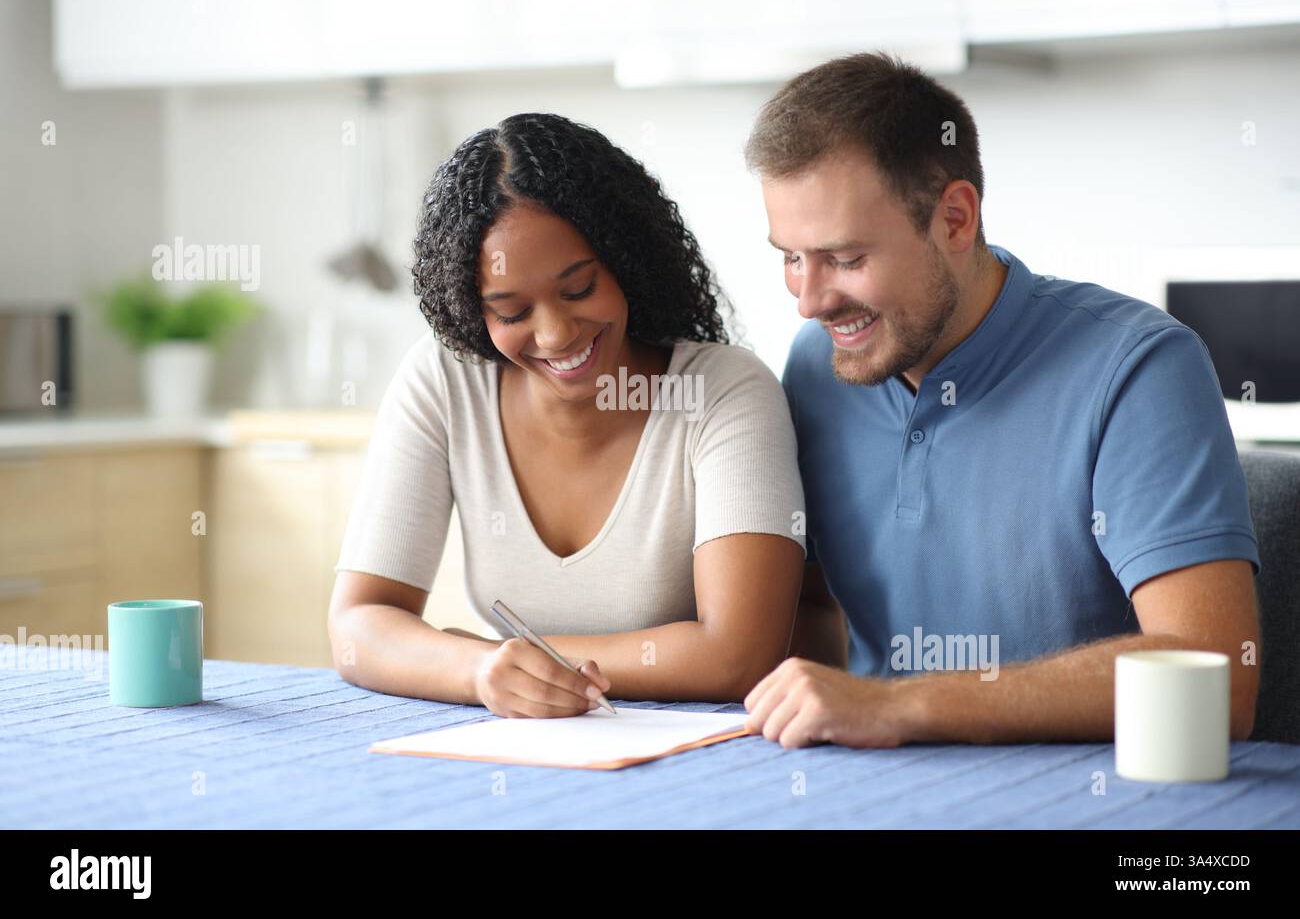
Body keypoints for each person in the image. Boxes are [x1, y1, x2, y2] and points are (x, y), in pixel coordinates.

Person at [741, 51, 1261, 748]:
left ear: (955, 219)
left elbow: (1215, 678)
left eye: (846, 259)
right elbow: (807, 614)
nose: (809, 301)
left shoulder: (1138, 367)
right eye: (790, 257)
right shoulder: (817, 367)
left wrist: (896, 707)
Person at [329, 112, 805, 718]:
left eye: (578, 290)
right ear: (474, 313)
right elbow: (357, 624)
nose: (554, 334)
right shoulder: (444, 382)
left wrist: (512, 656)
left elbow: (740, 655)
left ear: (625, 261)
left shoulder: (724, 392)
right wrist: (479, 670)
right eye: (510, 310)